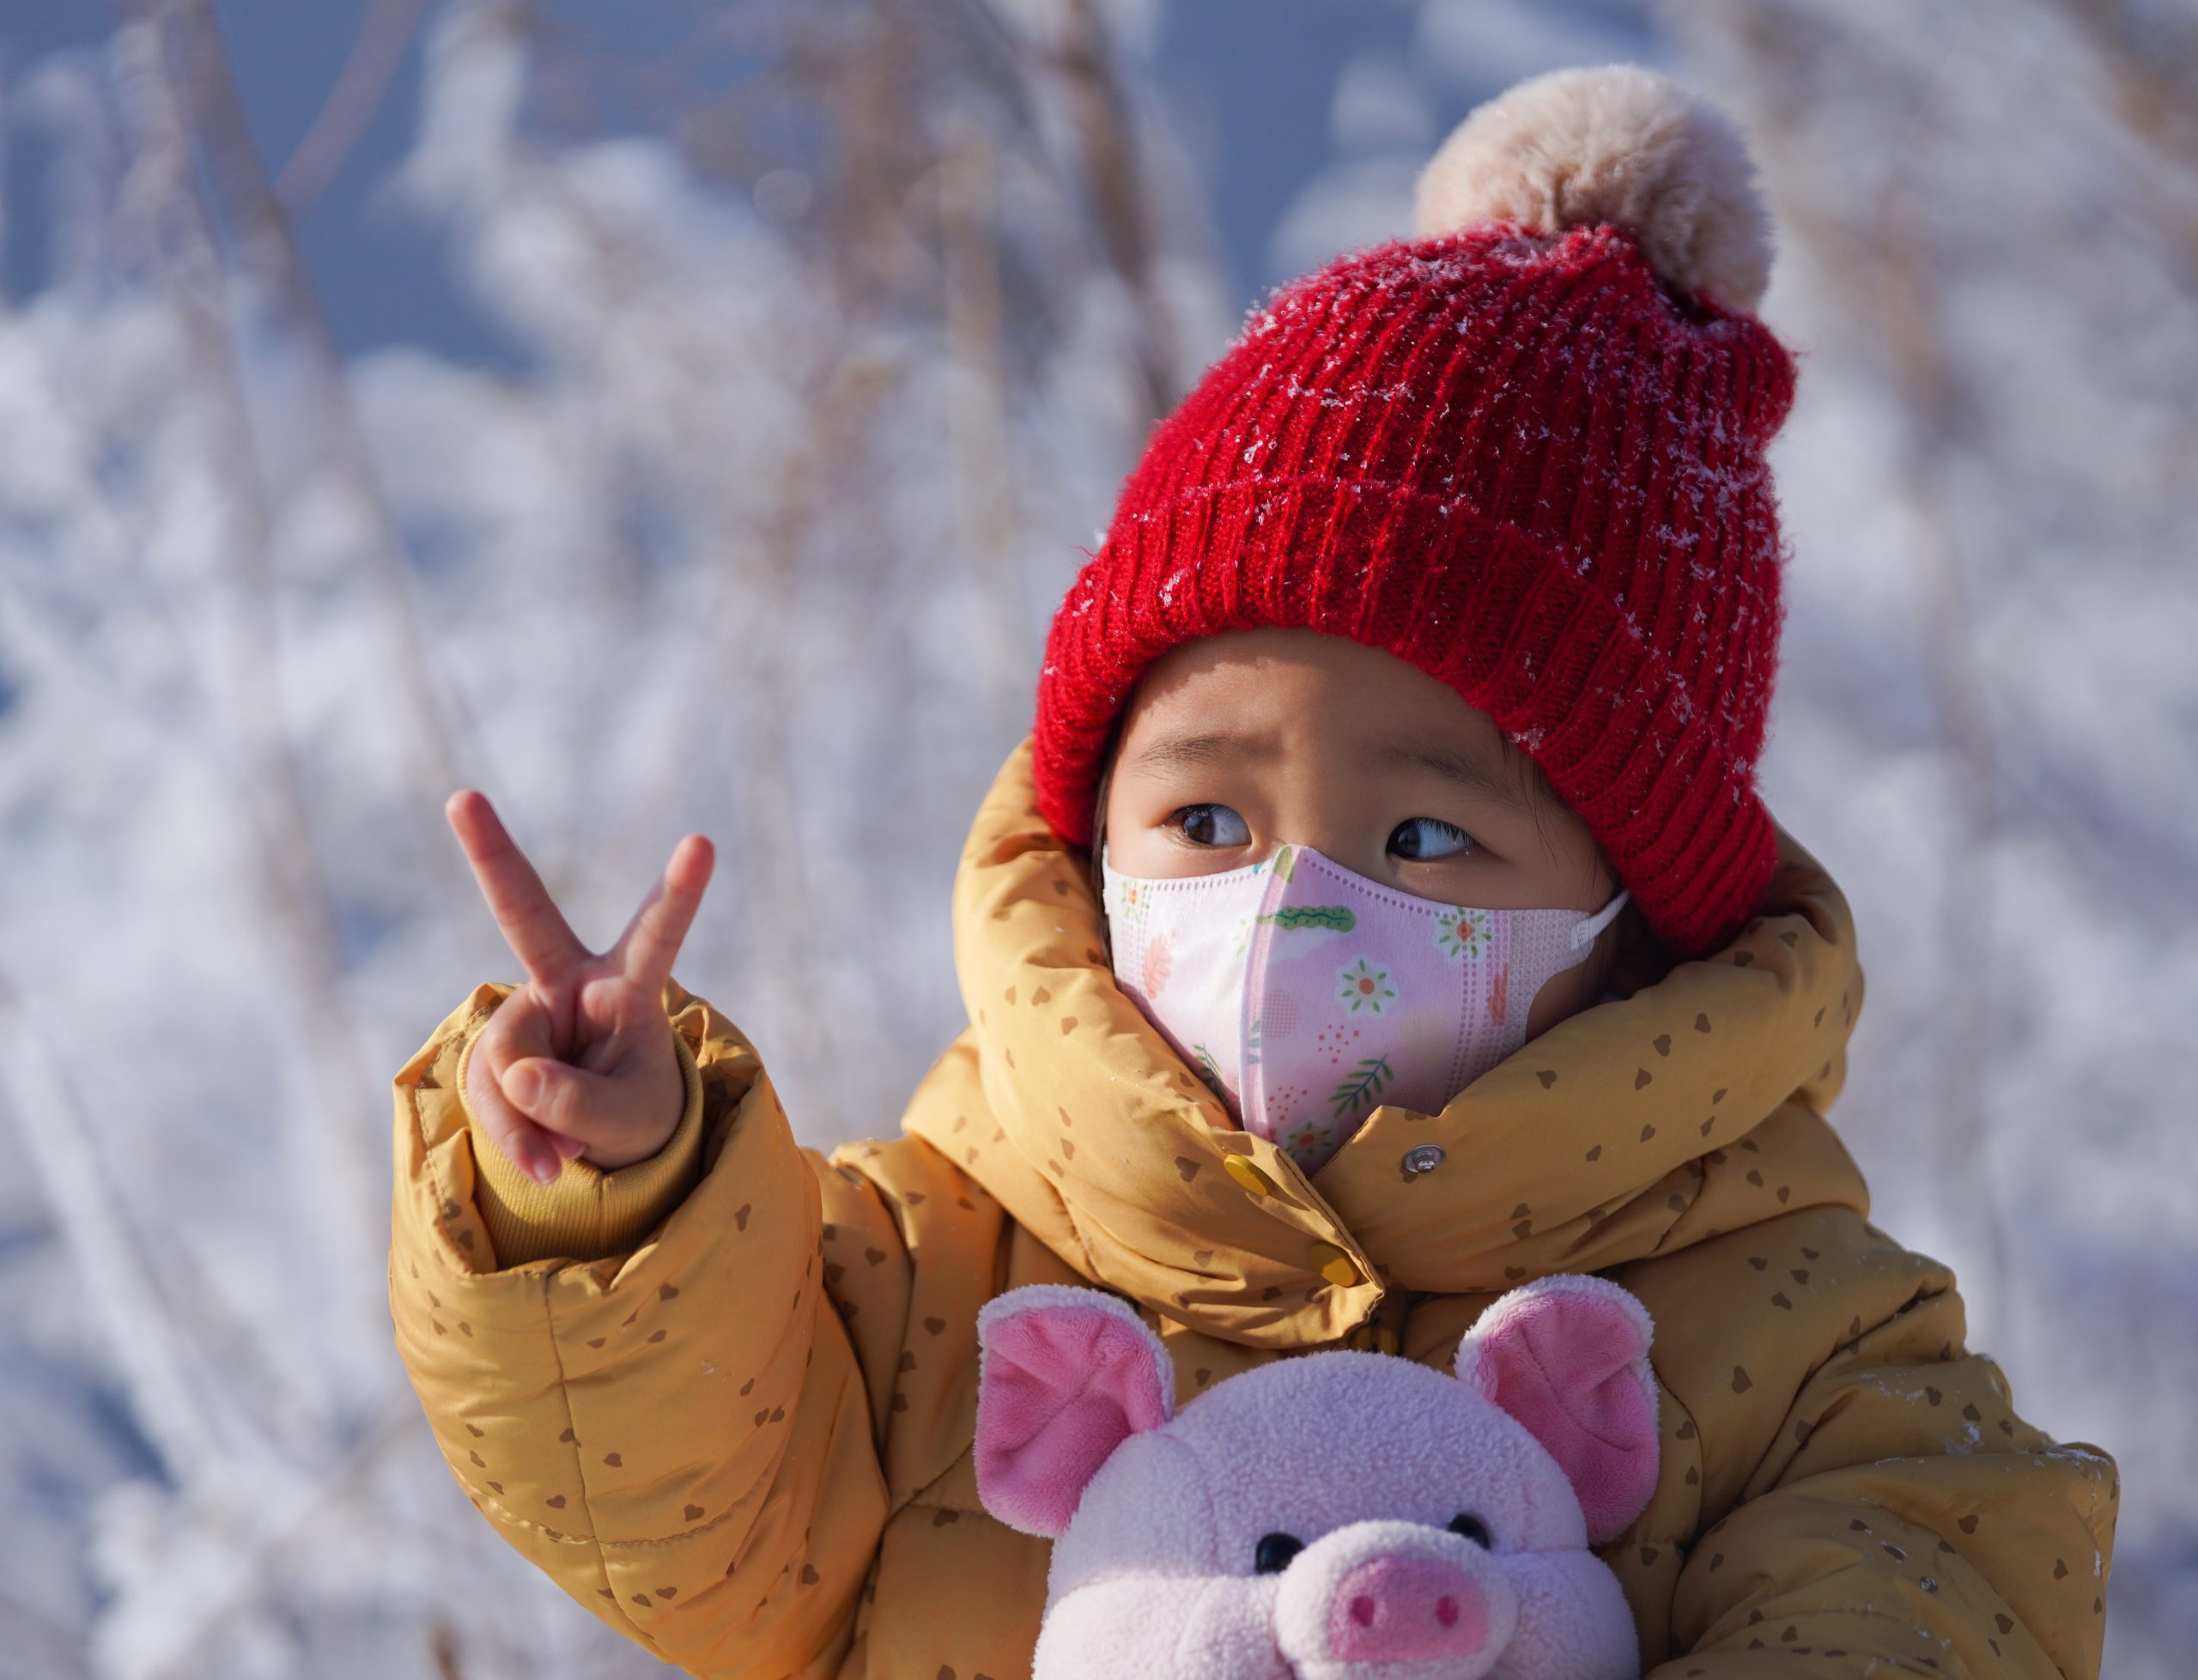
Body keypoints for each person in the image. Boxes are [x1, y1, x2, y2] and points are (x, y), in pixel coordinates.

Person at [390, 64, 2116, 1678]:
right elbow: (676, 1502)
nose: (1291, 901)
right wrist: (613, 1199)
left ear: (1629, 913)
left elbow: (1931, 1583)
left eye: (1423, 837)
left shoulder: (1797, 1346)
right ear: (1091, 827)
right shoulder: (937, 1270)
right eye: (1206, 822)